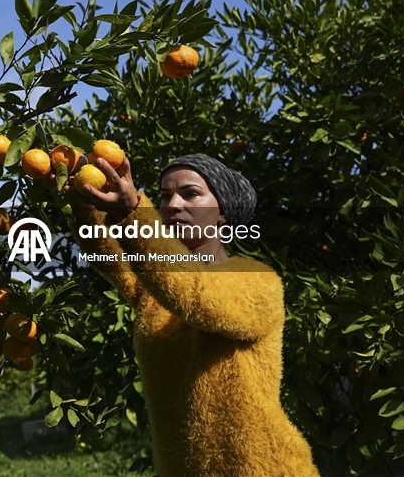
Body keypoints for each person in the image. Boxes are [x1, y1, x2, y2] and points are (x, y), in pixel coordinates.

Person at [73, 153, 320, 477]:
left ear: (222, 213)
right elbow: (105, 253)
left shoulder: (257, 280)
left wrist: (133, 213)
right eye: (164, 196)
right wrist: (83, 194)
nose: (172, 205)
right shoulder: (154, 291)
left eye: (190, 194)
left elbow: (195, 292)